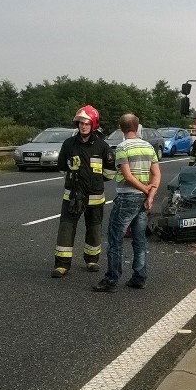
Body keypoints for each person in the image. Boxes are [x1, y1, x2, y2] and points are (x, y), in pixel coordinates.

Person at [93, 113, 161, 293]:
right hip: (143, 199)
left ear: (121, 128)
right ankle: (139, 277)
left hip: (127, 198)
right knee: (139, 239)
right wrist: (150, 194)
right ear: (138, 127)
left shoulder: (122, 148)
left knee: (115, 239)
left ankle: (111, 279)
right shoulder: (148, 147)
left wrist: (146, 190)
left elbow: (128, 176)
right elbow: (157, 174)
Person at [52, 105, 116, 278]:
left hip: (95, 197)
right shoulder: (69, 144)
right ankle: (62, 265)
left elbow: (110, 172)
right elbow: (62, 167)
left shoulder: (102, 146)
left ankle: (92, 260)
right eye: (80, 123)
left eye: (86, 123)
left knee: (94, 228)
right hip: (72, 196)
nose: (83, 126)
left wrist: (94, 181)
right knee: (66, 227)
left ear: (93, 124)